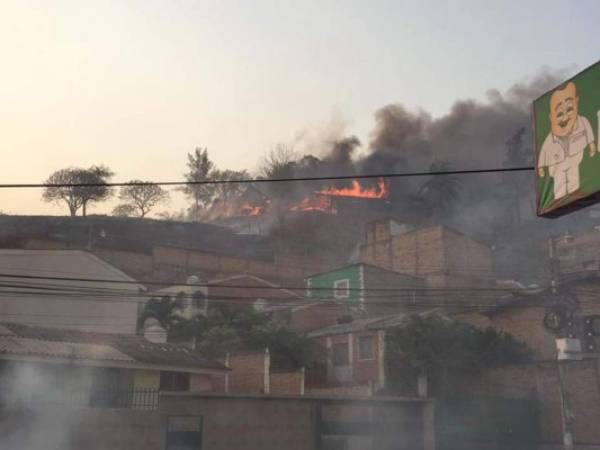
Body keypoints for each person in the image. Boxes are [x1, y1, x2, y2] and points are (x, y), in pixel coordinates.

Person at [538, 81, 596, 200]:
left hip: (574, 158)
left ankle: (574, 192)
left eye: (569, 109)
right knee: (559, 180)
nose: (565, 117)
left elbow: (588, 131)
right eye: (559, 114)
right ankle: (559, 197)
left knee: (573, 177)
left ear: (576, 103)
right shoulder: (550, 138)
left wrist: (591, 144)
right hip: (557, 163)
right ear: (551, 117)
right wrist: (541, 167)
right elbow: (544, 150)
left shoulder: (582, 122)